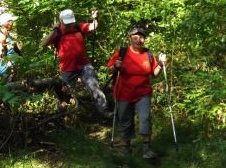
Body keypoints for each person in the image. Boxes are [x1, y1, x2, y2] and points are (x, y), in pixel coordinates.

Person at [107, 24, 167, 158]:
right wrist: (115, 66)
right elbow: (110, 70)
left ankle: (146, 150)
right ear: (130, 38)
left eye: (141, 37)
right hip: (123, 93)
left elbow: (155, 73)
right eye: (135, 37)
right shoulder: (122, 52)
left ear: (144, 39)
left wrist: (162, 64)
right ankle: (126, 149)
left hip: (143, 93)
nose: (138, 39)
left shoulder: (148, 54)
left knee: (145, 119)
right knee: (126, 121)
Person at [42, 8, 112, 118]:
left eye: (71, 22)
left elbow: (94, 26)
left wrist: (95, 18)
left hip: (84, 66)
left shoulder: (79, 27)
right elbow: (44, 43)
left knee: (94, 87)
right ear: (61, 22)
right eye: (67, 23)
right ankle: (62, 116)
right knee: (66, 94)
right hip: (67, 69)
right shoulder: (58, 32)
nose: (70, 25)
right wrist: (54, 30)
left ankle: (105, 112)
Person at [0, 12, 19, 78]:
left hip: (11, 63)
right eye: (11, 21)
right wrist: (7, 63)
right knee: (6, 83)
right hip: (5, 66)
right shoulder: (1, 35)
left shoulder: (6, 34)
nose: (12, 23)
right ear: (6, 22)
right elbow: (1, 51)